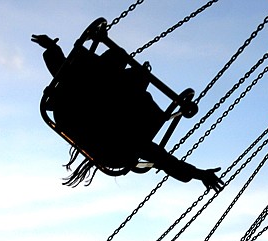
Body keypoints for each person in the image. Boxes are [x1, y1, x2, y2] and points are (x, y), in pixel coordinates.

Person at [32, 34, 224, 192]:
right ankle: (121, 69)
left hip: (94, 123)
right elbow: (163, 159)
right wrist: (199, 174)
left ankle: (120, 69)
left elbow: (163, 159)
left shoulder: (119, 121)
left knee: (106, 68)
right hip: (95, 123)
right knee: (107, 68)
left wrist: (51, 49)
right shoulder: (123, 123)